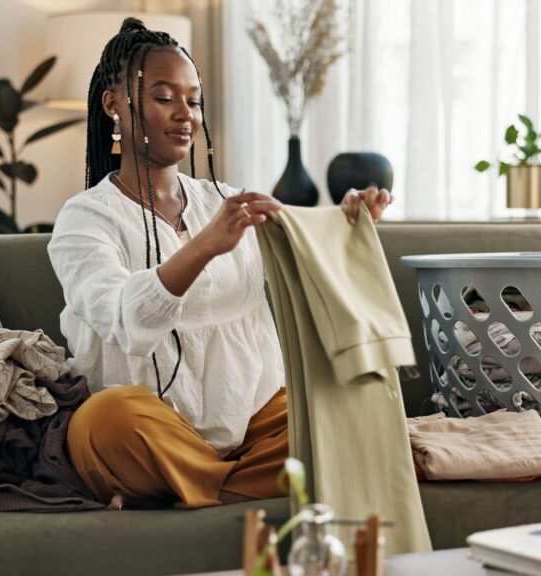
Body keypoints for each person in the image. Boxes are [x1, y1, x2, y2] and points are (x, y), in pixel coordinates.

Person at [48, 17, 392, 510]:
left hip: (251, 420)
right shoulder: (85, 218)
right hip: (146, 428)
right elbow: (126, 318)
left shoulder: (225, 200)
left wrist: (348, 223)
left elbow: (305, 265)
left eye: (193, 100)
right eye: (164, 97)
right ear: (114, 105)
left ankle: (185, 490)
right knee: (105, 423)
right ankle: (229, 483)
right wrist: (203, 246)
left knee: (350, 417)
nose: (185, 114)